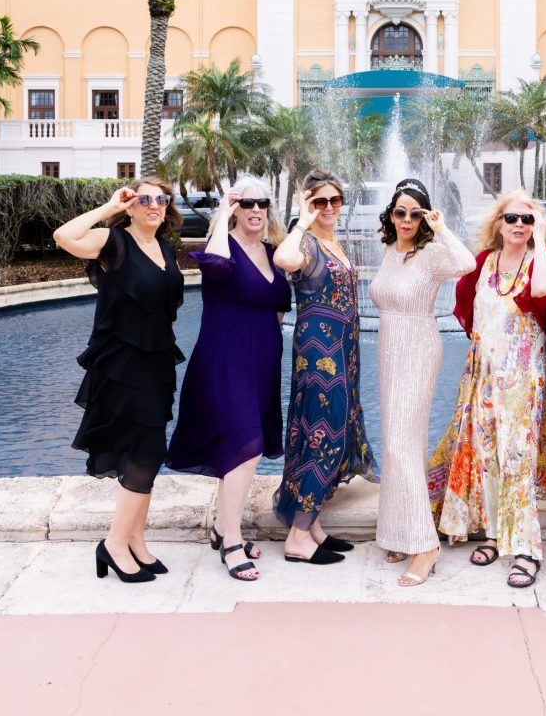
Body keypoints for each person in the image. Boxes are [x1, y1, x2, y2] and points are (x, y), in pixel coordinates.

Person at [428, 191, 546, 589]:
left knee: (518, 454)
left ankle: (527, 549)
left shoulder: (540, 260)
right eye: (511, 218)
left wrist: (542, 238)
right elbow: (467, 312)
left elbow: (545, 291)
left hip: (524, 373)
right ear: (498, 222)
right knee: (486, 453)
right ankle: (495, 534)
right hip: (484, 371)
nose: (518, 225)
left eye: (527, 220)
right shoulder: (483, 263)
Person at [53, 177, 185, 583]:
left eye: (161, 199)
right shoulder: (114, 243)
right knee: (145, 453)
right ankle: (113, 544)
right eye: (144, 199)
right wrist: (110, 206)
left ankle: (136, 542)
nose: (154, 205)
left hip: (157, 362)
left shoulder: (162, 247)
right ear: (130, 205)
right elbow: (63, 236)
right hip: (123, 366)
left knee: (146, 453)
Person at [167, 176, 291, 582]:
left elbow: (279, 309)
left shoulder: (273, 253)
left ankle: (222, 527)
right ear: (235, 207)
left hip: (262, 365)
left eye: (261, 204)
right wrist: (222, 212)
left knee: (244, 444)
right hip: (225, 360)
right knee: (247, 445)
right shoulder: (223, 247)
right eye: (246, 203)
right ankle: (233, 542)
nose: (255, 210)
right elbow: (217, 264)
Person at [369, 178, 476, 588]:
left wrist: (442, 227)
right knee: (395, 443)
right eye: (400, 212)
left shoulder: (431, 253)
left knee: (402, 445)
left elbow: (466, 263)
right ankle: (398, 533)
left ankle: (425, 546)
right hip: (389, 349)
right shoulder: (388, 250)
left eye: (416, 213)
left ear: (425, 216)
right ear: (391, 215)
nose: (407, 220)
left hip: (417, 347)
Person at [273, 168, 379, 563]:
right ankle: (298, 537)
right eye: (321, 201)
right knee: (324, 431)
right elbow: (284, 259)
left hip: (342, 350)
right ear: (307, 203)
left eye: (336, 200)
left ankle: (311, 525)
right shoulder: (307, 242)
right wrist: (302, 220)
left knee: (328, 427)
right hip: (319, 352)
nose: (330, 207)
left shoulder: (332, 241)